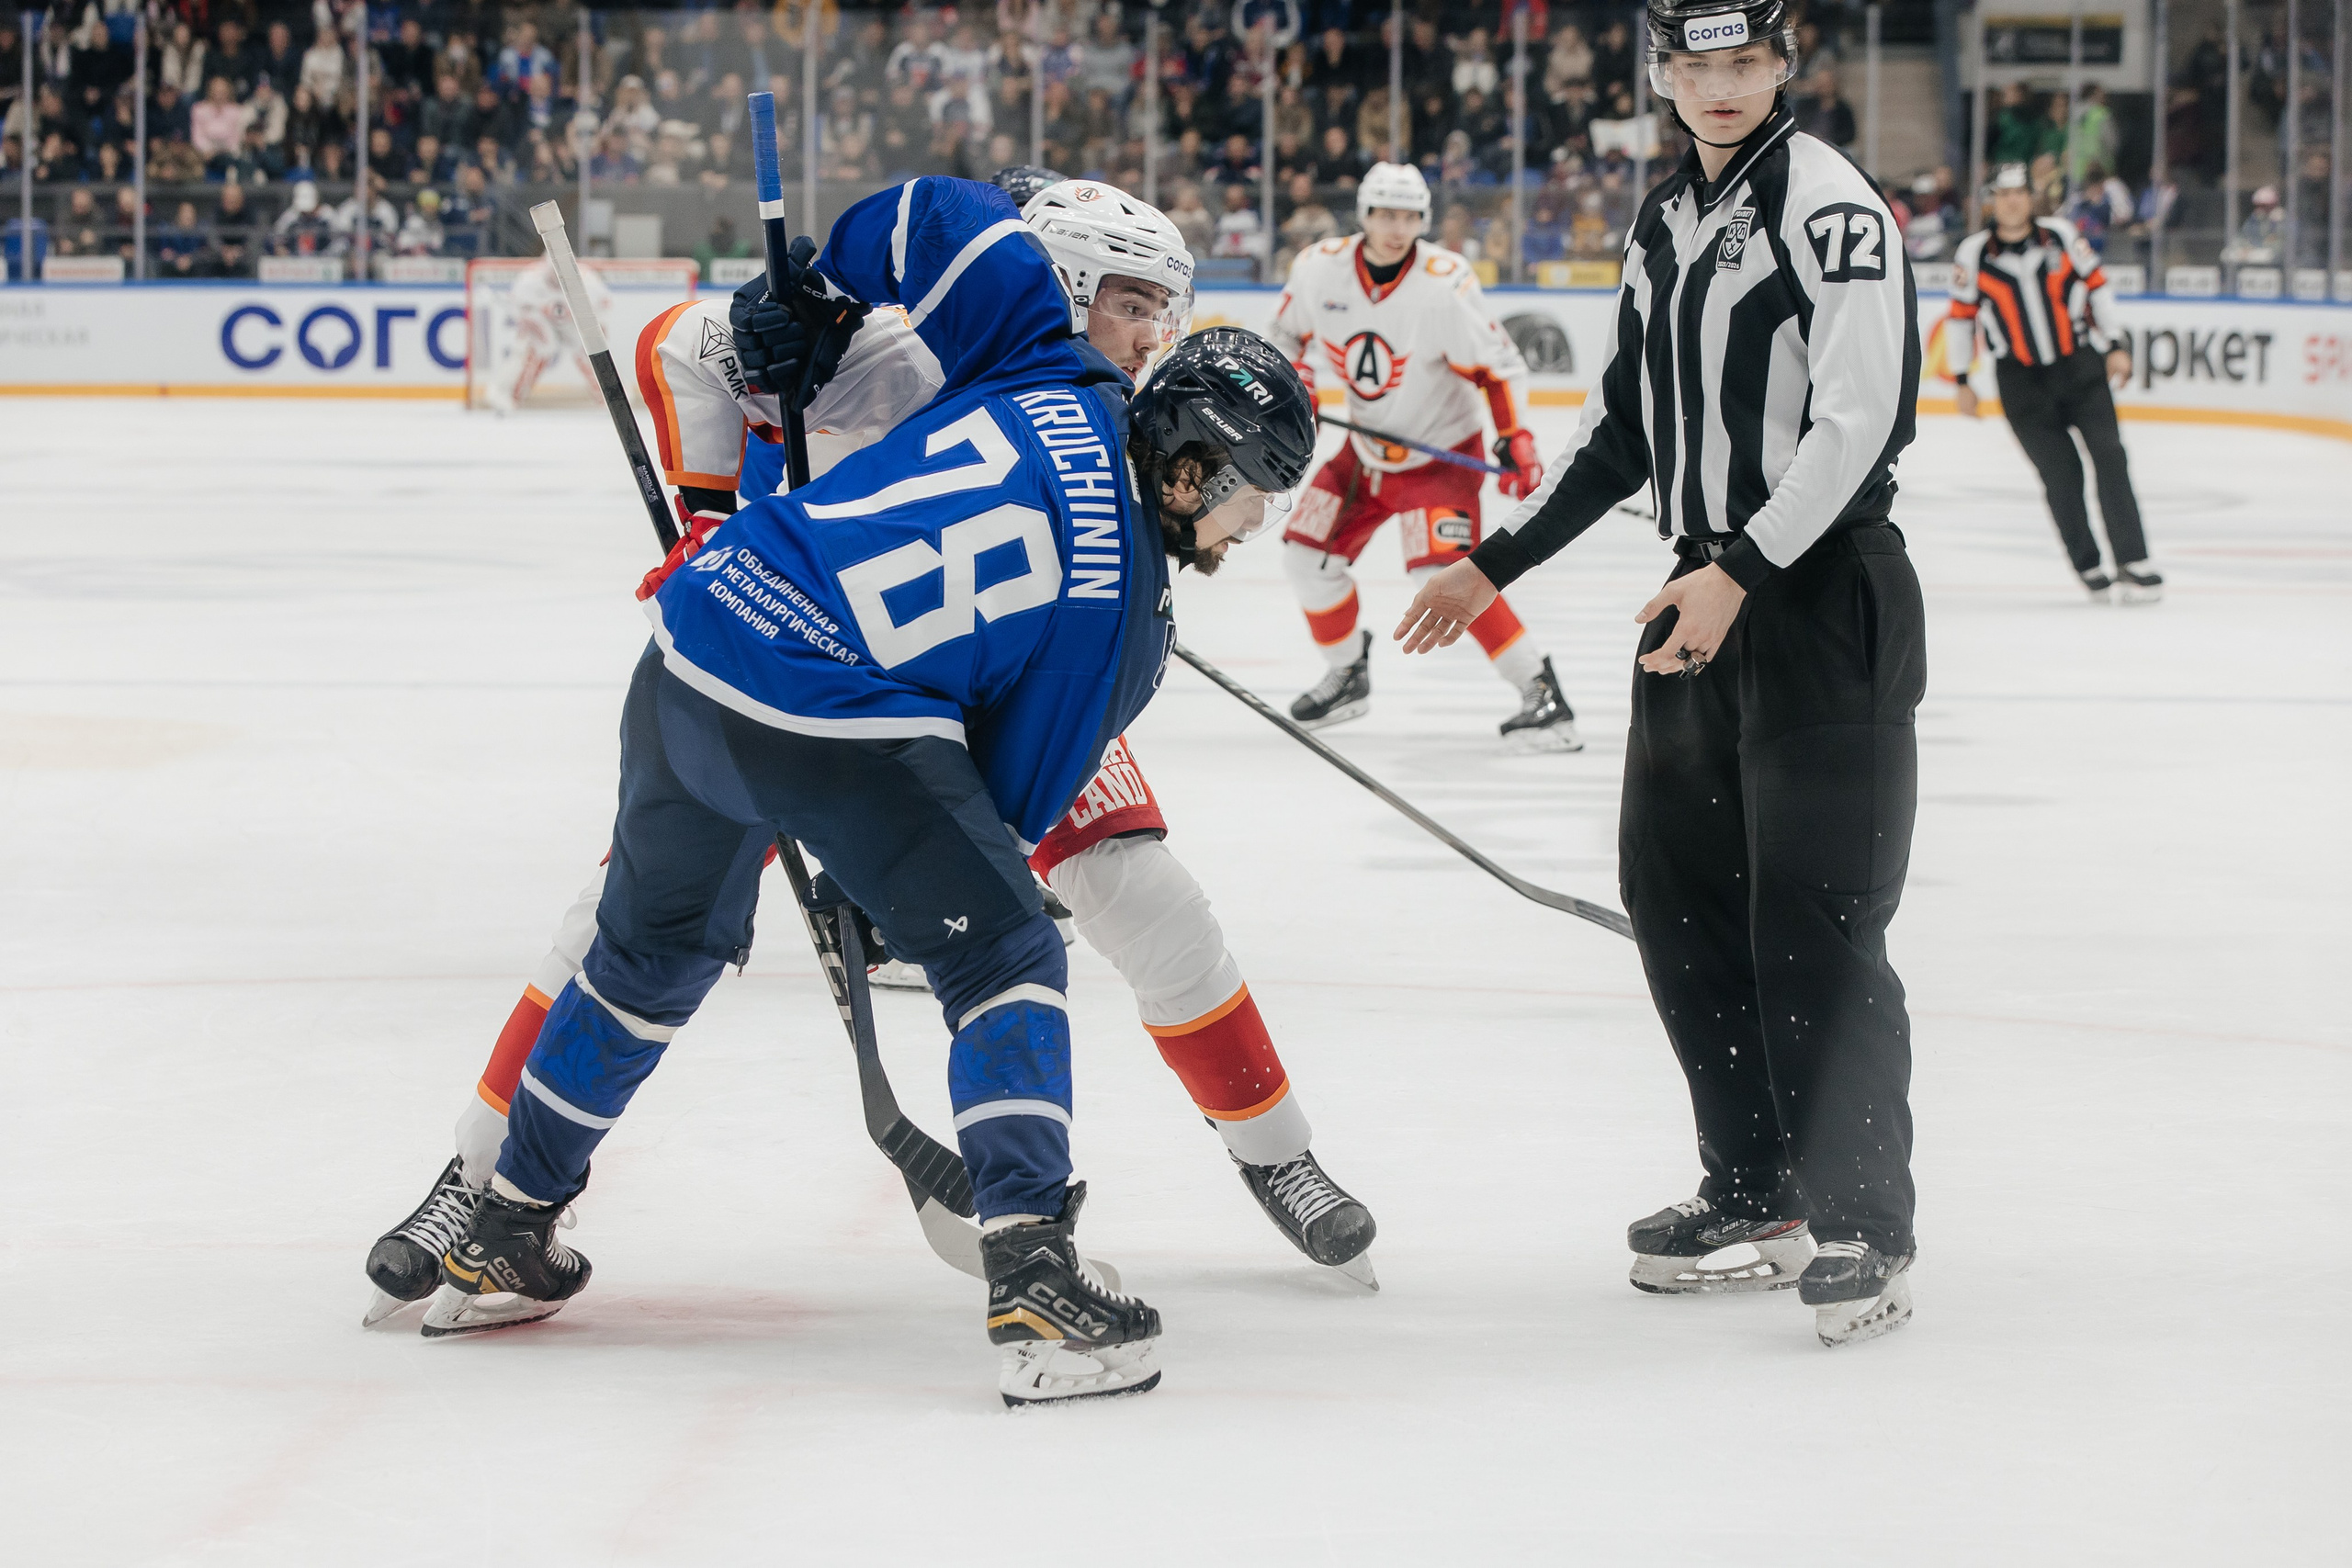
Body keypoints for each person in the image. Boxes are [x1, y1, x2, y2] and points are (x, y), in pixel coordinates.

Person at [385, 175, 1320, 1407]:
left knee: (644, 948)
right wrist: (909, 898)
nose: (1256, 530)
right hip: (837, 714)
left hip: (699, 640)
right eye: (1256, 497)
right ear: (1195, 474)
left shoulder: (1050, 365)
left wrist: (812, 286)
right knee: (1011, 957)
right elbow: (1005, 804)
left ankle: (506, 1226)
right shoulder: (1126, 632)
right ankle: (1037, 1275)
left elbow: (938, 210)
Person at [1396, 0, 1926, 1348]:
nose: (1723, 85)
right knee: (1679, 892)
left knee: (1816, 912)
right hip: (1697, 594)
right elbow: (1625, 428)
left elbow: (1862, 422)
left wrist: (1740, 569)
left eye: (1747, 62)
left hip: (1813, 597)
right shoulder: (1662, 218)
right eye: (1697, 65)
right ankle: (1753, 1184)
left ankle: (1863, 1214)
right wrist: (1494, 564)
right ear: (1664, 75)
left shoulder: (1833, 207)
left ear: (1784, 66)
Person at [1268, 161, 1583, 750]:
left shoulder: (1444, 283)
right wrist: (1297, 380)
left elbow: (1499, 367)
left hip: (1439, 458)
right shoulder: (1319, 270)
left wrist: (1516, 439)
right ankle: (1347, 674)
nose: (1395, 227)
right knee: (1305, 558)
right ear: (1364, 214)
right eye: (1384, 214)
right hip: (1362, 455)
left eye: (1408, 216)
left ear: (1423, 220)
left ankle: (1540, 690)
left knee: (1443, 574)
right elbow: (1283, 337)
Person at [1947, 164, 2159, 604]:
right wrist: (1963, 378)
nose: (2012, 201)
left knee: (2111, 456)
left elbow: (2097, 288)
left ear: (2032, 197)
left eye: (2020, 192)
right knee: (2061, 475)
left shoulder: (2061, 235)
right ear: (1992, 200)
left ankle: (2133, 560)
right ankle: (2088, 563)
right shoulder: (1973, 253)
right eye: (2003, 194)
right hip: (2021, 384)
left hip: (2080, 368)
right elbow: (1961, 320)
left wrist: (2116, 343)